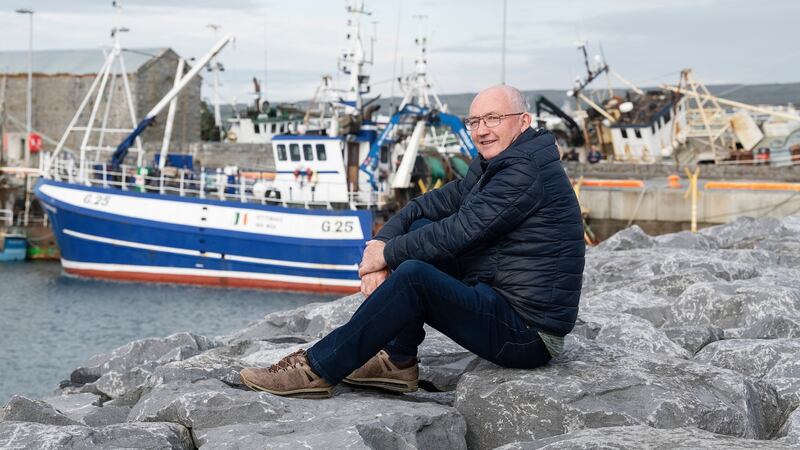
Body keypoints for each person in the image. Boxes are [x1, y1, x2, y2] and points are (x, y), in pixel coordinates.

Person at [240, 85, 585, 398]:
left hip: (527, 334)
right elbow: (428, 206)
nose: (482, 130)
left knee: (414, 278)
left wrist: (388, 255)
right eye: (475, 120)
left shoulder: (523, 172)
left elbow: (459, 232)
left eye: (493, 118)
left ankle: (317, 368)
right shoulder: (497, 164)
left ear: (523, 122)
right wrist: (383, 245)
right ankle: (397, 361)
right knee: (417, 229)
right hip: (499, 297)